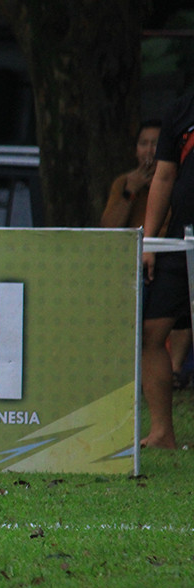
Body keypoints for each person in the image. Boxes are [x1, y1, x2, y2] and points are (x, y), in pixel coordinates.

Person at [101, 121, 193, 389]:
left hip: (168, 254)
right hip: (133, 259)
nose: (150, 150)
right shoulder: (124, 182)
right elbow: (108, 227)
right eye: (144, 143)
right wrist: (130, 191)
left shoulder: (177, 180)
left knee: (175, 314)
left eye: (155, 144)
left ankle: (176, 369)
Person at [142, 93, 194, 450]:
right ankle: (162, 433)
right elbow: (163, 176)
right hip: (180, 239)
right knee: (151, 331)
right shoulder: (181, 108)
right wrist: (148, 242)